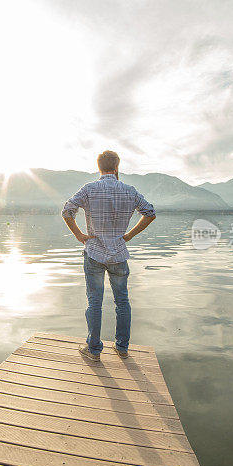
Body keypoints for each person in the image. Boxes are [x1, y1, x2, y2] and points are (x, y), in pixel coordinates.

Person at [61, 150, 156, 361]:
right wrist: (129, 235)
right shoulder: (129, 190)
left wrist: (79, 234)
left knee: (95, 302)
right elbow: (150, 212)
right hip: (119, 254)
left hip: (94, 252)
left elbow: (67, 211)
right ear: (117, 167)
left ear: (99, 167)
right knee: (122, 301)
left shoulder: (89, 189)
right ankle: (122, 348)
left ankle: (94, 350)